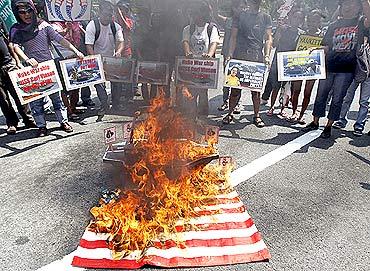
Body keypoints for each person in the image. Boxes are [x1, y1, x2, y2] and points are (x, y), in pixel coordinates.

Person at [9, 0, 84, 137]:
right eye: (22, 12)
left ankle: (63, 122)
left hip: (48, 68)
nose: (26, 15)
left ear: (33, 10)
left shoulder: (43, 25)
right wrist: (26, 59)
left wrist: (75, 51)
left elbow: (60, 39)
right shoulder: (16, 29)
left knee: (56, 96)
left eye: (29, 11)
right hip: (31, 70)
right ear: (17, 13)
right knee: (36, 100)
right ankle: (41, 126)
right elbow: (15, 46)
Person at [303, 0, 370, 139]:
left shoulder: (360, 23)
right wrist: (317, 49)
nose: (348, 6)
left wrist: (364, 2)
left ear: (358, 7)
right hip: (328, 66)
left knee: (338, 99)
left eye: (352, 4)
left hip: (347, 69)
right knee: (321, 95)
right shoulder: (333, 25)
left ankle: (328, 126)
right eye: (345, 4)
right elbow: (327, 46)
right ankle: (315, 122)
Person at [225, 0, 273, 127]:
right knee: (235, 87)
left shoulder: (265, 17)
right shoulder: (240, 15)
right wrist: (230, 54)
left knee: (256, 89)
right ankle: (229, 113)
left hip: (256, 55)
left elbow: (268, 38)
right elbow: (233, 36)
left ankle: (256, 116)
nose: (255, 2)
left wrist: (267, 56)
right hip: (240, 55)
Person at [85, 0, 125, 117]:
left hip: (111, 59)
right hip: (97, 59)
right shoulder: (92, 26)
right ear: (100, 13)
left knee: (116, 82)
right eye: (106, 14)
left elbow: (121, 42)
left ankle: (116, 104)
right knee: (99, 84)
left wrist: (118, 52)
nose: (108, 17)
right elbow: (89, 45)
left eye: (110, 15)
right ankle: (104, 105)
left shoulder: (115, 26)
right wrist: (94, 59)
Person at [182, 1, 220, 116]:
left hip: (205, 66)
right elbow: (185, 41)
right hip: (192, 65)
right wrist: (188, 52)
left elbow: (214, 43)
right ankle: (191, 115)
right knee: (191, 89)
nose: (198, 16)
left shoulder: (211, 28)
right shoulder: (188, 28)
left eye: (200, 13)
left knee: (203, 90)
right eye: (196, 13)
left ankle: (203, 116)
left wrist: (209, 55)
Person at [266, 8, 305, 118]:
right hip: (278, 62)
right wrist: (278, 31)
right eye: (295, 17)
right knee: (276, 87)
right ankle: (271, 107)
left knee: (286, 89)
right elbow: (274, 44)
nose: (296, 20)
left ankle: (282, 108)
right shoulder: (282, 29)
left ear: (301, 21)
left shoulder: (302, 34)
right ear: (290, 17)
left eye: (299, 18)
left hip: (291, 64)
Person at [289, 10, 325, 124]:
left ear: (319, 22)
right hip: (299, 65)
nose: (312, 23)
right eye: (310, 20)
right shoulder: (302, 34)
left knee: (307, 93)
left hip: (313, 68)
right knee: (296, 91)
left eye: (315, 21)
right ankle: (294, 111)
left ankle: (301, 114)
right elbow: (294, 49)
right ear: (307, 21)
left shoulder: (322, 36)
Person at [0, 20, 36, 135]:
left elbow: (10, 41)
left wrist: (16, 61)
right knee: (3, 99)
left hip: (9, 64)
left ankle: (28, 119)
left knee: (20, 93)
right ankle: (11, 123)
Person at [51, 21, 84, 121]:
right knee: (64, 88)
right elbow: (57, 35)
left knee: (75, 84)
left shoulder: (75, 23)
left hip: (73, 57)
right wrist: (67, 29)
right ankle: (68, 111)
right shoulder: (53, 26)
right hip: (60, 59)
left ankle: (73, 107)